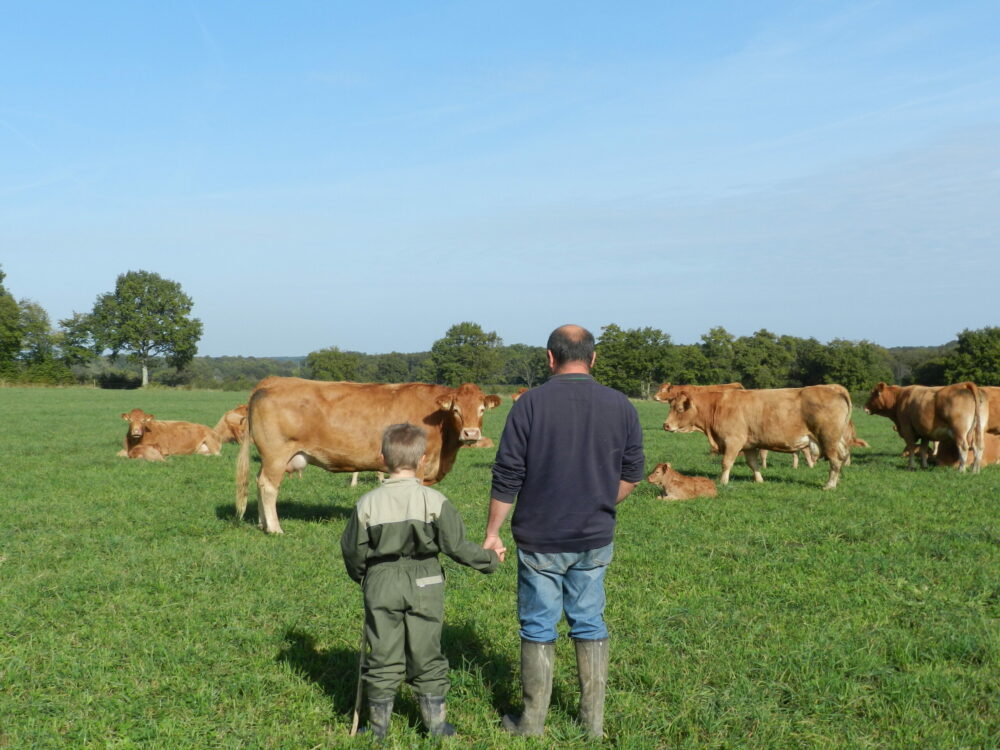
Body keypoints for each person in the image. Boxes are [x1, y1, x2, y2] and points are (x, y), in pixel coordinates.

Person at [483, 324, 645, 738]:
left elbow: (507, 475)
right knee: (590, 622)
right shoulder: (621, 405)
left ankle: (531, 724)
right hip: (595, 536)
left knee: (538, 625)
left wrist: (492, 532)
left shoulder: (529, 404)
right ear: (593, 358)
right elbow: (632, 474)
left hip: (539, 538)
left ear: (550, 358)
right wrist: (601, 502)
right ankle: (592, 726)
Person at [341, 422, 501, 739]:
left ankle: (378, 730)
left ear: (381, 458)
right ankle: (437, 726)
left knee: (383, 654)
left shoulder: (366, 503)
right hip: (426, 579)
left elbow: (352, 550)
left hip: (381, 580)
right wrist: (490, 560)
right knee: (426, 652)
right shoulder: (435, 501)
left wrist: (364, 578)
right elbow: (456, 546)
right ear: (423, 459)